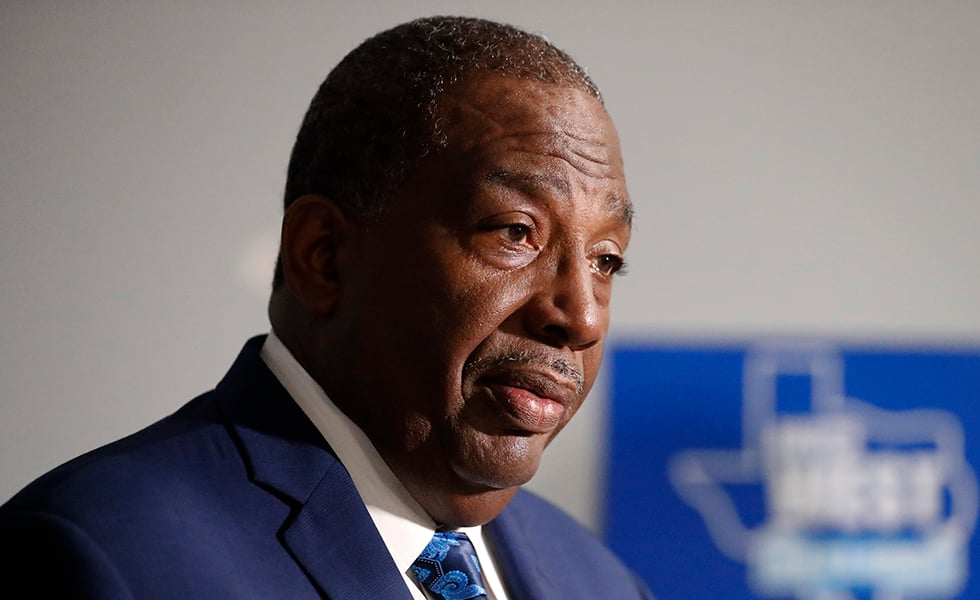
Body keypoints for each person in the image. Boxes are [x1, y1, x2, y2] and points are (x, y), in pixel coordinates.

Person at [0, 16, 651, 599]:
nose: (581, 317)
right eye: (515, 231)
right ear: (325, 255)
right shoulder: (98, 556)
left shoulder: (601, 581)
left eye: (605, 260)